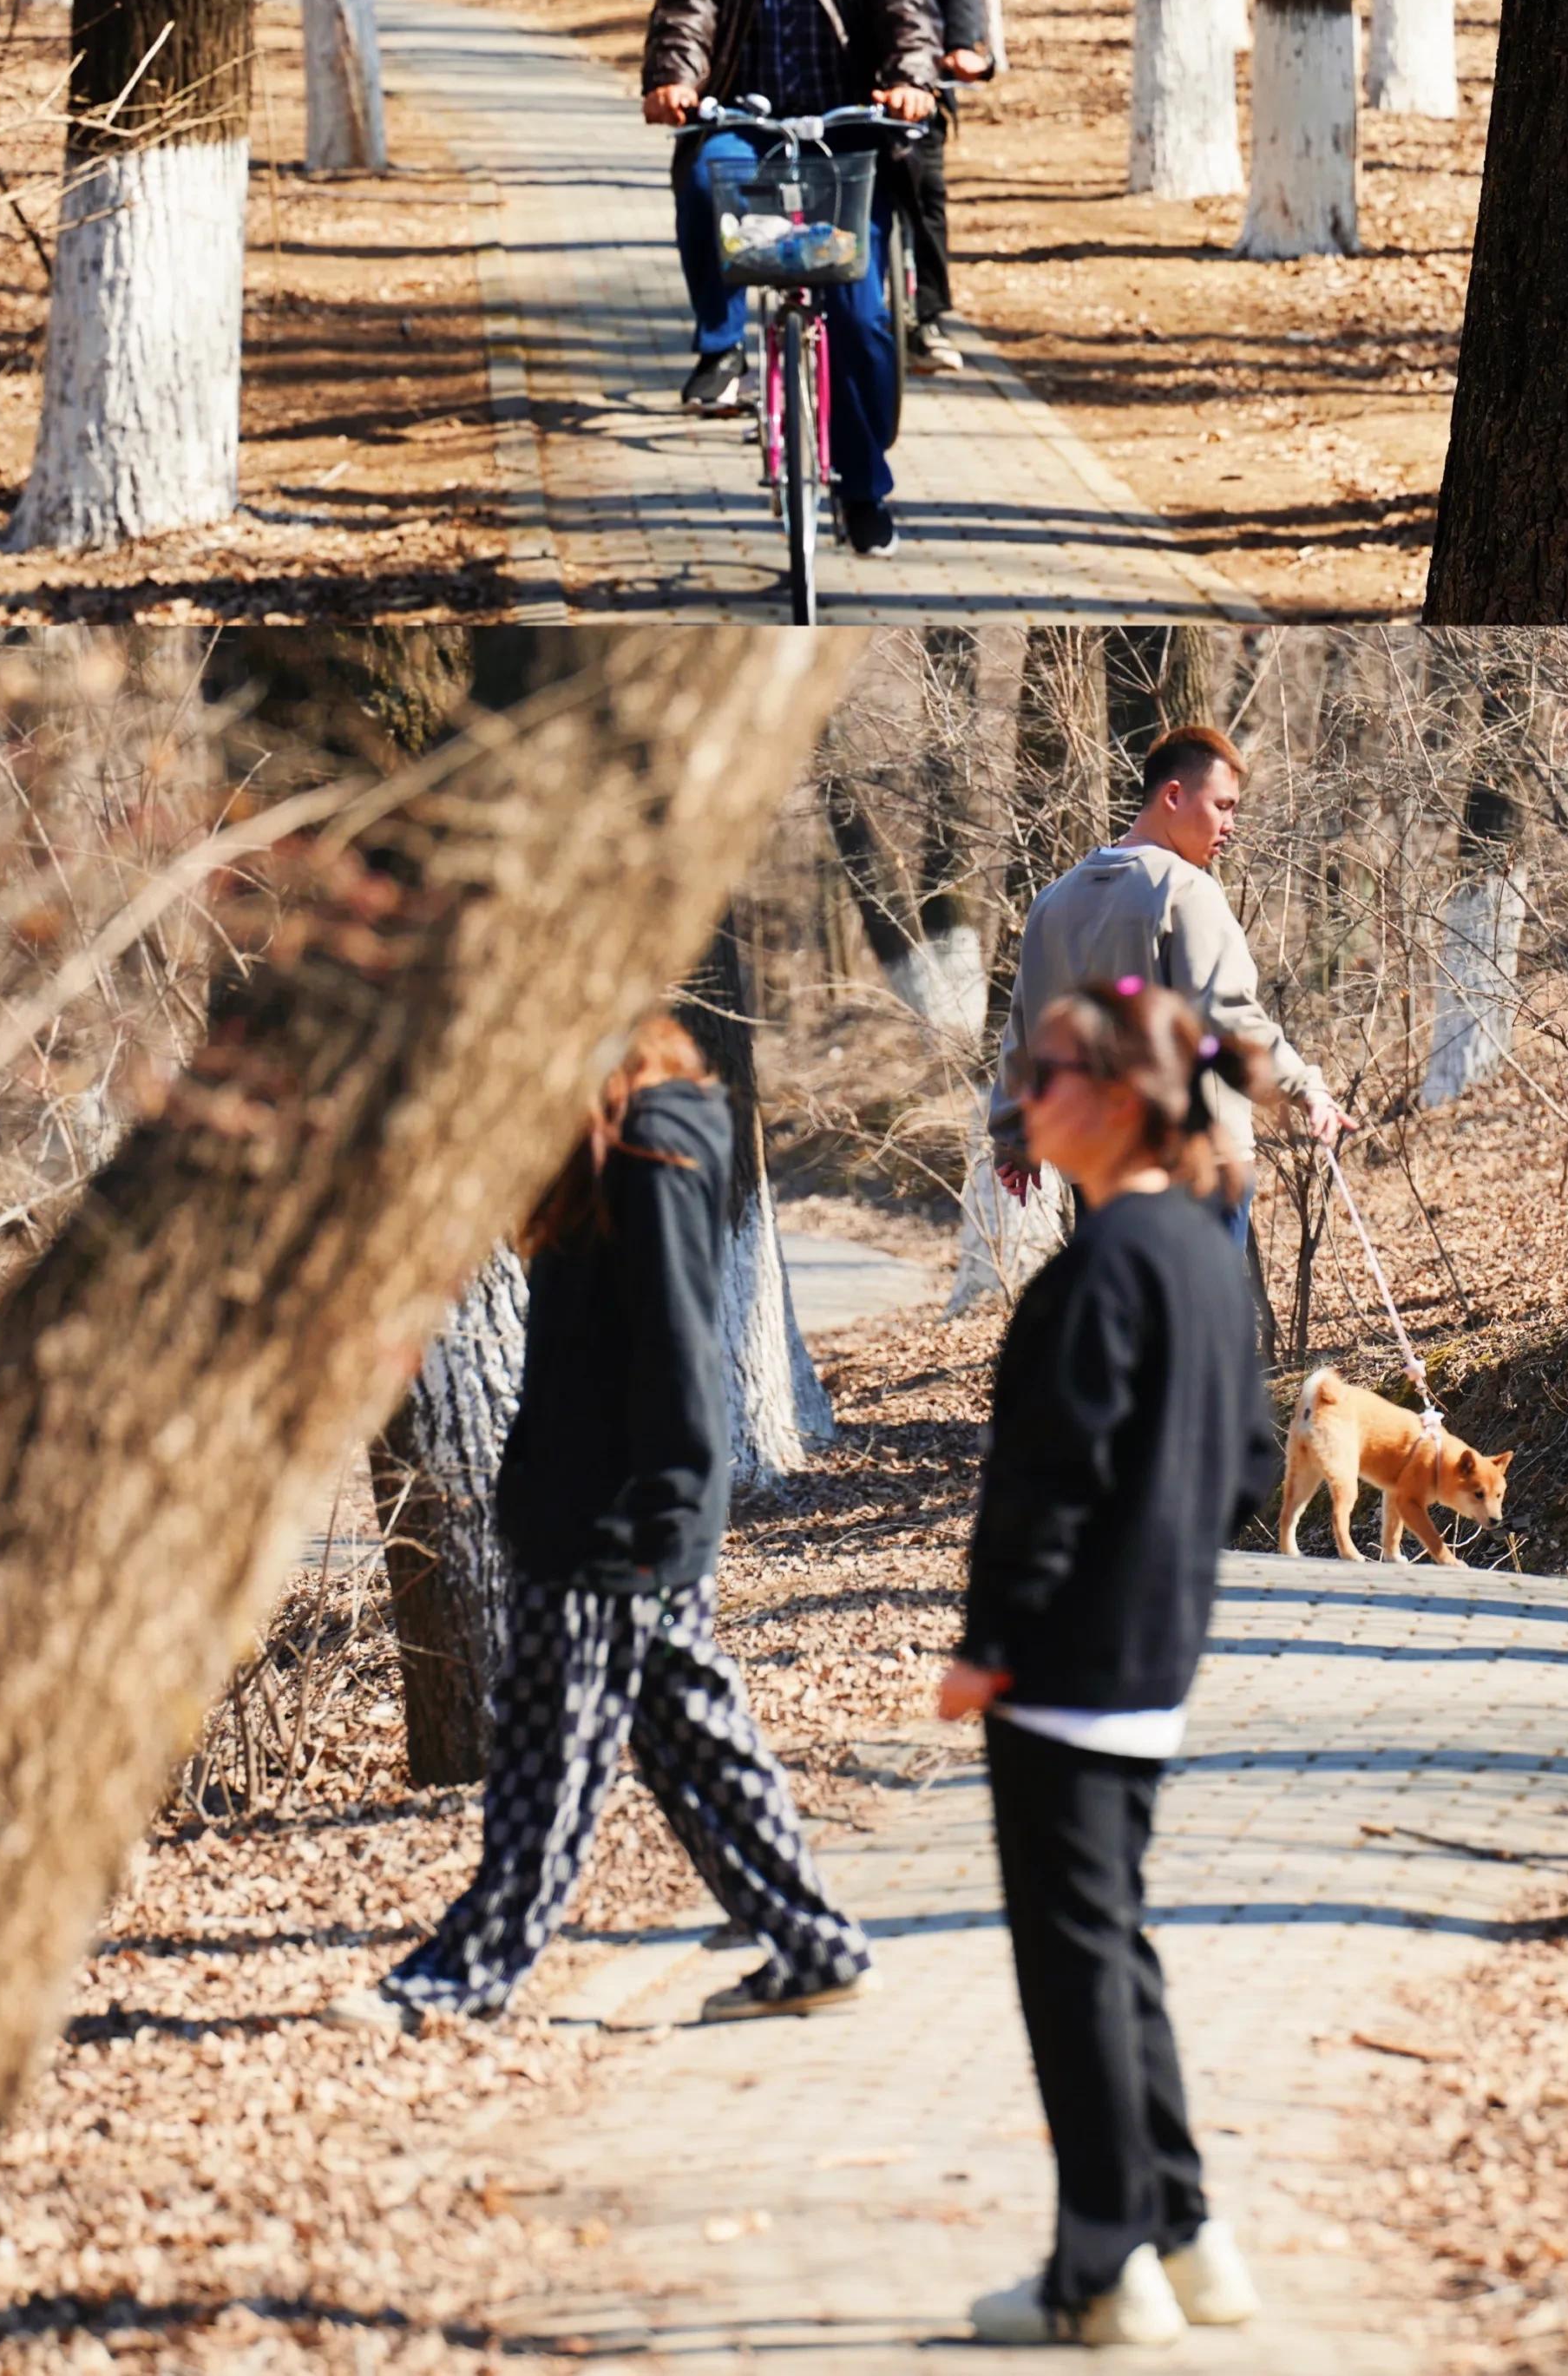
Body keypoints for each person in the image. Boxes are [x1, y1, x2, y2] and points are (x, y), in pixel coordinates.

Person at [329, 1014, 872, 2034]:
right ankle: (814, 1943)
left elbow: (677, 1344)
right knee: (696, 1747)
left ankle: (463, 1977)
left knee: (547, 1761)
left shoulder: (650, 1149)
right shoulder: (611, 1150)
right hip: (603, 1512)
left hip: (614, 1524)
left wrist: (667, 1515)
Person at [941, 982, 1280, 2349]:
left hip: (1067, 1666)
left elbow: (1047, 1487)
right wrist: (1168, 1557)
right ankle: (1188, 2236)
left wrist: (991, 1645)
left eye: (1055, 1067)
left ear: (1126, 1093)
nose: (1028, 1089)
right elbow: (1250, 1467)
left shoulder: (1100, 1270)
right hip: (1152, 1656)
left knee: (1074, 1960)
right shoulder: (1203, 1251)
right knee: (1111, 1940)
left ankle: (1103, 2266)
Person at [641, 0, 940, 559]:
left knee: (862, 318)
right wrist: (676, 83)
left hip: (847, 141)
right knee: (707, 181)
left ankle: (864, 490)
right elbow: (685, 23)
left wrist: (910, 81)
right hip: (746, 129)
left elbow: (911, 21)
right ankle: (720, 347)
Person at [987, 724, 1342, 1251]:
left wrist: (1014, 1136)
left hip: (1099, 1167)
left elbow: (1027, 1030)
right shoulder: (1186, 891)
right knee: (1202, 1327)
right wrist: (1305, 1087)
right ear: (1173, 795)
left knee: (1130, 1328)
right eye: (1223, 806)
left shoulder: (1051, 902)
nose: (1231, 824)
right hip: (1194, 1164)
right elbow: (1226, 1015)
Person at [830, 0, 993, 373]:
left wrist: (967, 46)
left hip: (914, 85)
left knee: (925, 190)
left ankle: (928, 319)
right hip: (837, 88)